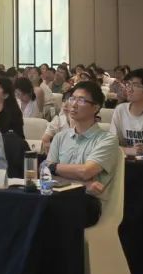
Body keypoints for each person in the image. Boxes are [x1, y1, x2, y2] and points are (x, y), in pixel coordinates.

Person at [45, 81, 119, 227]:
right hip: (59, 196)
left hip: (88, 203)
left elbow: (86, 171)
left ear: (96, 107)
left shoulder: (107, 139)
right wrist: (85, 184)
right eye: (72, 98)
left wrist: (53, 167)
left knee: (48, 215)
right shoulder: (60, 137)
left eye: (81, 100)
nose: (73, 104)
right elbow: (47, 175)